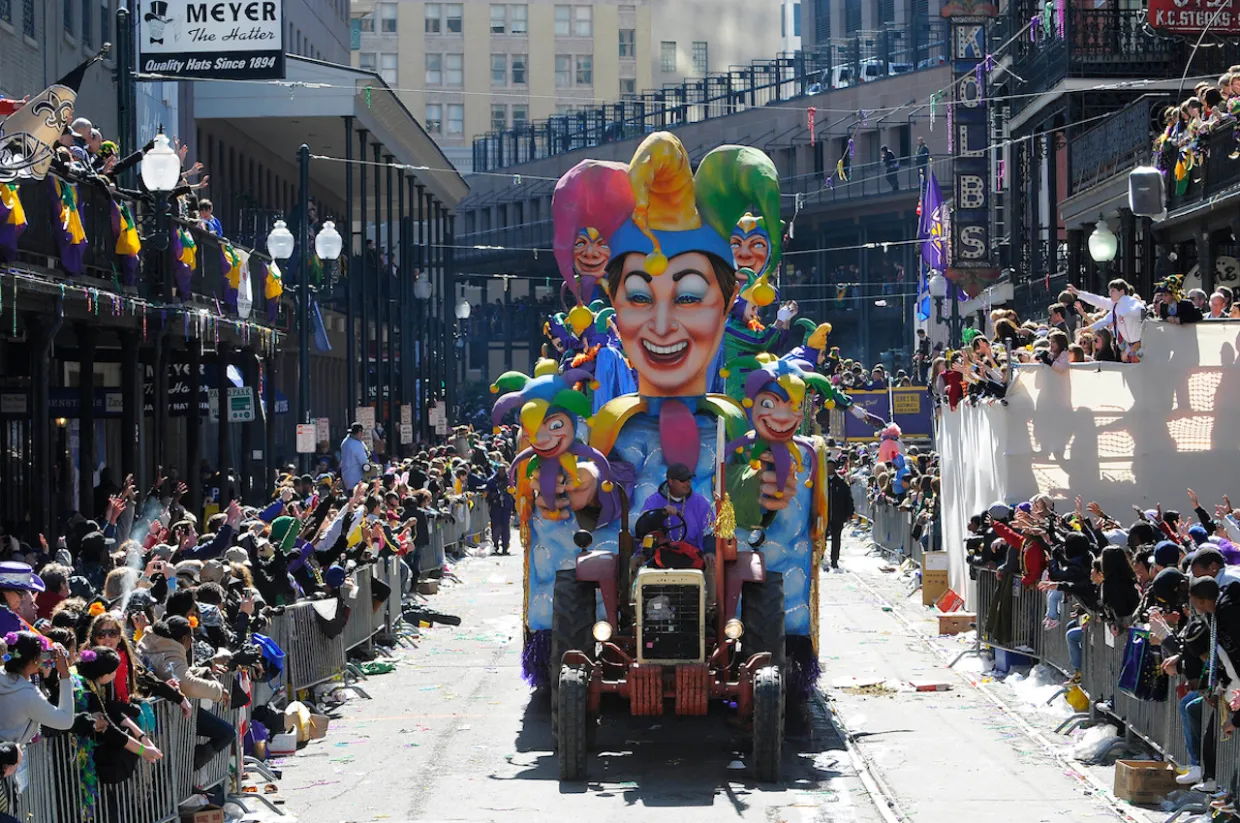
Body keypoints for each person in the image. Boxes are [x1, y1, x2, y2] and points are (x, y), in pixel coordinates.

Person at [0, 631, 76, 743]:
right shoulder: (28, 694)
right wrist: (64, 675)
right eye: (42, 654)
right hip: (9, 751)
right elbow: (65, 721)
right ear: (35, 660)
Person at [640, 463, 713, 553]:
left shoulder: (700, 502)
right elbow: (643, 526)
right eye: (683, 480)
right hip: (659, 553)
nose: (687, 483)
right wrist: (662, 513)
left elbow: (710, 530)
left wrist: (710, 552)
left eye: (689, 479)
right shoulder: (653, 501)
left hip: (692, 554)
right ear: (670, 481)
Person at [1068, 280, 1145, 363]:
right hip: (1126, 347)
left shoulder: (1131, 301)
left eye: (1113, 291)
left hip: (1137, 346)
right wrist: (1089, 328)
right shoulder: (1116, 306)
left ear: (1122, 291)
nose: (1110, 293)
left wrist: (1126, 315)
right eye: (1109, 291)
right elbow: (1102, 313)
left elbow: (1139, 309)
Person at [826, 459, 854, 571]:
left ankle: (834, 560)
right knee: (821, 538)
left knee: (836, 539)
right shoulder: (821, 482)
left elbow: (848, 498)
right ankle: (821, 558)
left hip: (838, 515)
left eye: (831, 466)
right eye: (827, 466)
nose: (829, 468)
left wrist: (849, 512)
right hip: (824, 515)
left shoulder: (841, 483)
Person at [485, 463, 515, 556]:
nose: (501, 472)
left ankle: (505, 547)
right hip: (496, 507)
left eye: (503, 470)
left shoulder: (510, 481)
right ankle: (495, 546)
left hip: (506, 507)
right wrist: (493, 495)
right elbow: (487, 493)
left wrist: (514, 508)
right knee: (496, 527)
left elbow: (514, 493)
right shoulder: (491, 481)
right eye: (500, 470)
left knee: (505, 528)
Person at [340, 422, 371, 490]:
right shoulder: (356, 444)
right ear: (359, 432)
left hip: (346, 476)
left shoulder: (345, 442)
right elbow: (364, 462)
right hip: (356, 478)